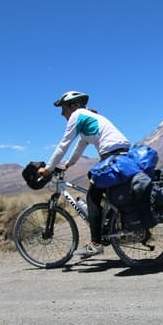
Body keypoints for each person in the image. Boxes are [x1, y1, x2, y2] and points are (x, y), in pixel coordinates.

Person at [39, 90, 131, 258]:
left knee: (92, 196)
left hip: (111, 154)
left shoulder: (78, 115)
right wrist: (68, 164)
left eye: (63, 109)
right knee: (97, 184)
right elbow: (80, 145)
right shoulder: (87, 118)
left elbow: (63, 145)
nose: (62, 113)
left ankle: (96, 244)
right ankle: (111, 223)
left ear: (72, 106)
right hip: (118, 153)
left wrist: (48, 168)